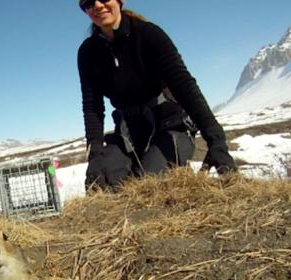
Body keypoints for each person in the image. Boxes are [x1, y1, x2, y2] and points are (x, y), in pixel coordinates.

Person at [77, 0, 237, 190]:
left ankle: (173, 172)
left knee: (150, 184)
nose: (97, 5)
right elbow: (92, 106)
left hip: (170, 126)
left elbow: (185, 86)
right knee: (104, 184)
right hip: (129, 132)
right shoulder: (87, 52)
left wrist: (216, 141)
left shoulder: (148, 34)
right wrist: (95, 157)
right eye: (88, 2)